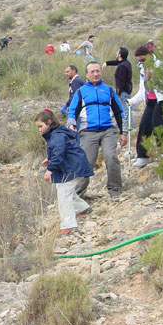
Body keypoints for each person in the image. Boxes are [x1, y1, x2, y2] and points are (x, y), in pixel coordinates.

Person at [67, 62, 127, 198]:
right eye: (92, 72)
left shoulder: (109, 90)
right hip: (88, 131)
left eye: (98, 71)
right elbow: (72, 111)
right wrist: (71, 125)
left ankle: (115, 190)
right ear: (87, 74)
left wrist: (123, 133)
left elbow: (119, 112)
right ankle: (78, 195)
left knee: (111, 157)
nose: (95, 74)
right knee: (87, 162)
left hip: (108, 131)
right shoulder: (81, 92)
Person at [36, 109, 94, 236]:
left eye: (41, 126)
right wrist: (49, 158)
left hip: (71, 168)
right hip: (75, 166)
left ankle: (69, 225)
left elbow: (59, 153)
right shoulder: (58, 133)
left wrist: (50, 169)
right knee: (67, 191)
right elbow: (61, 150)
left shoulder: (56, 135)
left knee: (63, 195)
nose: (40, 129)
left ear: (49, 122)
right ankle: (83, 208)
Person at [127, 45, 163, 168]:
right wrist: (132, 101)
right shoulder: (142, 70)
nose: (141, 63)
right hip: (150, 101)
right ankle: (143, 156)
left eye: (143, 60)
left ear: (150, 56)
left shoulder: (160, 65)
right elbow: (142, 90)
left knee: (158, 125)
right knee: (144, 126)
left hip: (161, 100)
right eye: (139, 60)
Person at [103, 47, 133, 128]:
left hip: (123, 91)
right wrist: (107, 63)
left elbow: (121, 81)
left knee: (125, 109)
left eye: (117, 52)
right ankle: (127, 125)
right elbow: (116, 62)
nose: (116, 53)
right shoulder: (125, 63)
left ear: (119, 54)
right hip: (127, 90)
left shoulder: (122, 66)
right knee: (126, 108)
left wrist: (119, 93)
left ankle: (127, 127)